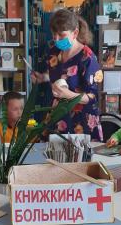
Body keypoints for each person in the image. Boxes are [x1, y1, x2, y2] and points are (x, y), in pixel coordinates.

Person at [31, 9, 103, 140]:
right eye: (54, 35)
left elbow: (93, 97)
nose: (57, 39)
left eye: (61, 35)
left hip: (81, 120)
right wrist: (43, 78)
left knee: (78, 153)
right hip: (58, 114)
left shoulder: (88, 58)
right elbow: (60, 75)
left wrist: (68, 94)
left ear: (75, 33)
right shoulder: (54, 52)